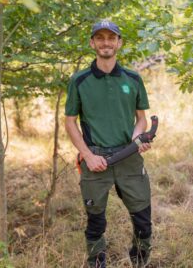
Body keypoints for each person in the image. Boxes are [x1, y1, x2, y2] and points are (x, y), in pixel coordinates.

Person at [64, 20, 152, 268]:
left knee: (143, 220)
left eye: (111, 38)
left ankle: (139, 261)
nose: (106, 42)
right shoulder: (79, 80)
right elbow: (70, 122)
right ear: (92, 43)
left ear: (119, 43)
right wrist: (87, 155)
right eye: (100, 38)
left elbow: (142, 119)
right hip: (96, 160)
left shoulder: (133, 78)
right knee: (95, 222)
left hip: (129, 158)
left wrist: (137, 140)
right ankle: (97, 263)